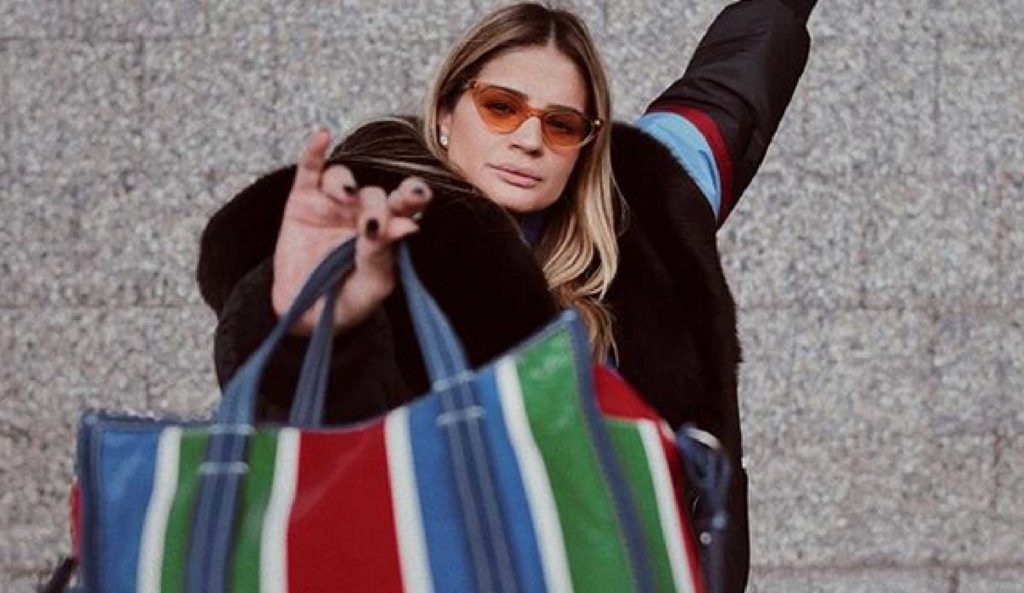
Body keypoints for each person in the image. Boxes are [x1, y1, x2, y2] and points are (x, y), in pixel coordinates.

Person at [195, 1, 816, 591]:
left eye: (560, 123)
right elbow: (324, 444)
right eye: (500, 107)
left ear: (586, 143)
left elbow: (731, 89)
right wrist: (313, 325)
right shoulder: (376, 236)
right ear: (446, 113)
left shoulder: (643, 219)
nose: (529, 139)